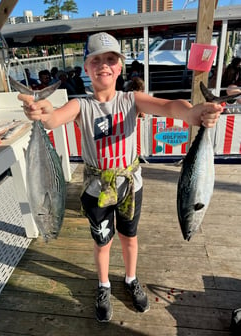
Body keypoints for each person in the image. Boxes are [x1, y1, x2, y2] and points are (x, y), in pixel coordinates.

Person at [18, 32, 223, 323]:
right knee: (102, 242)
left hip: (130, 187)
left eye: (111, 59)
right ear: (86, 68)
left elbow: (170, 107)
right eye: (96, 60)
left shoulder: (132, 99)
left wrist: (194, 114)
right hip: (95, 189)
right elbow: (53, 118)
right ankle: (103, 285)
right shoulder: (81, 106)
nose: (104, 65)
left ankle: (130, 279)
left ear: (120, 67)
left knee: (130, 237)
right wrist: (42, 111)